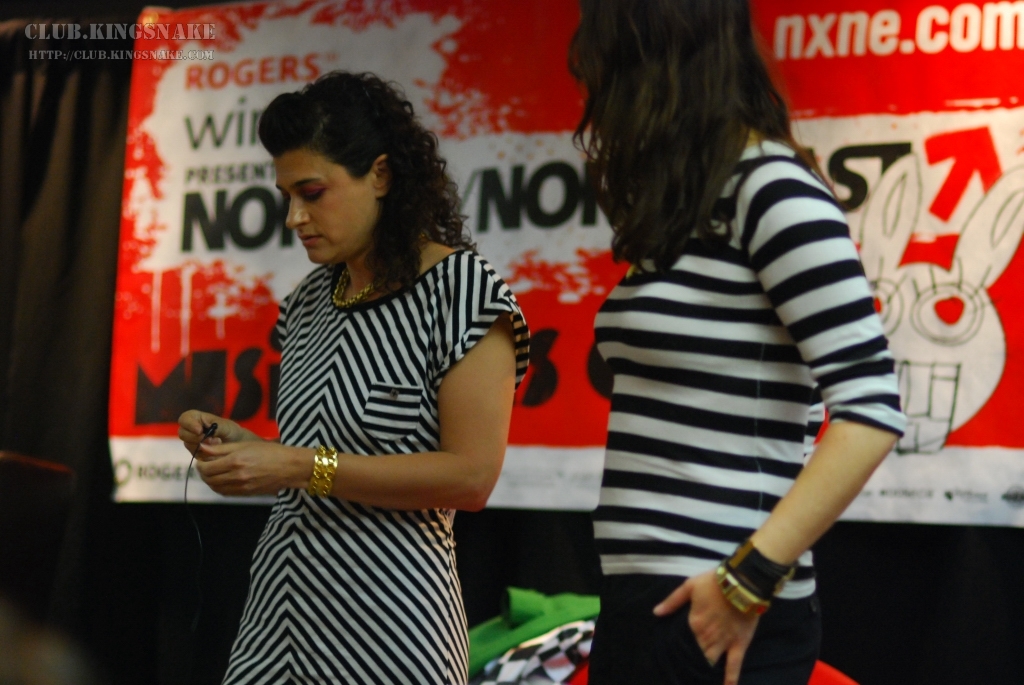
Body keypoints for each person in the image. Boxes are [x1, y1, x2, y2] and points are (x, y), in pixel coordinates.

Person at [569, 2, 906, 684]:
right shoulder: (691, 206)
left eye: (604, 67)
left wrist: (747, 579)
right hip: (644, 601)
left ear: (652, 65)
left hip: (718, 601)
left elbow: (871, 409)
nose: (594, 97)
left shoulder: (772, 187)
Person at [178, 71, 530, 685]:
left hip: (392, 624)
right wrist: (246, 451)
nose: (295, 217)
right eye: (286, 196)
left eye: (312, 192)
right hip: (278, 614)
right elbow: (318, 456)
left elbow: (472, 477)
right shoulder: (307, 301)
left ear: (382, 175)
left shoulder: (464, 291)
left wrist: (296, 466)